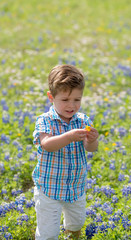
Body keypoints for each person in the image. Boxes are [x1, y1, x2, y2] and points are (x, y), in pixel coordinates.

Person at [32, 64, 99, 240]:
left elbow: (90, 149)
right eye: (65, 100)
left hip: (75, 187)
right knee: (48, 234)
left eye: (77, 100)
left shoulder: (82, 119)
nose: (72, 106)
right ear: (51, 97)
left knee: (76, 223)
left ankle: (71, 235)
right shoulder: (45, 121)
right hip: (49, 188)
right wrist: (68, 137)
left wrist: (92, 141)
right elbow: (46, 144)